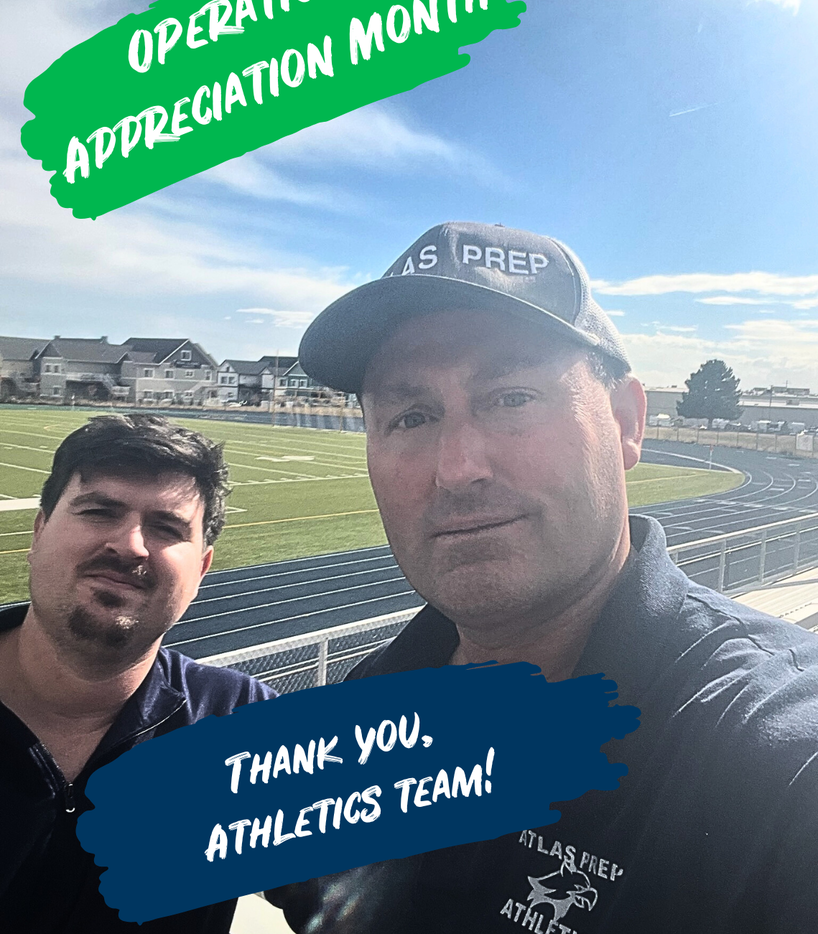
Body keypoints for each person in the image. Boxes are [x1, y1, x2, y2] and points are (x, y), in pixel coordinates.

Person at [269, 221, 818, 933]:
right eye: (411, 416)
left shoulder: (771, 757)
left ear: (625, 421)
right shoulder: (370, 706)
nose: (457, 467)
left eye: (511, 398)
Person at [0, 413, 278, 934]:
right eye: (99, 511)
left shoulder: (242, 724)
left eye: (167, 528)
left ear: (202, 570)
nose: (130, 545)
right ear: (38, 532)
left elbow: (395, 883)